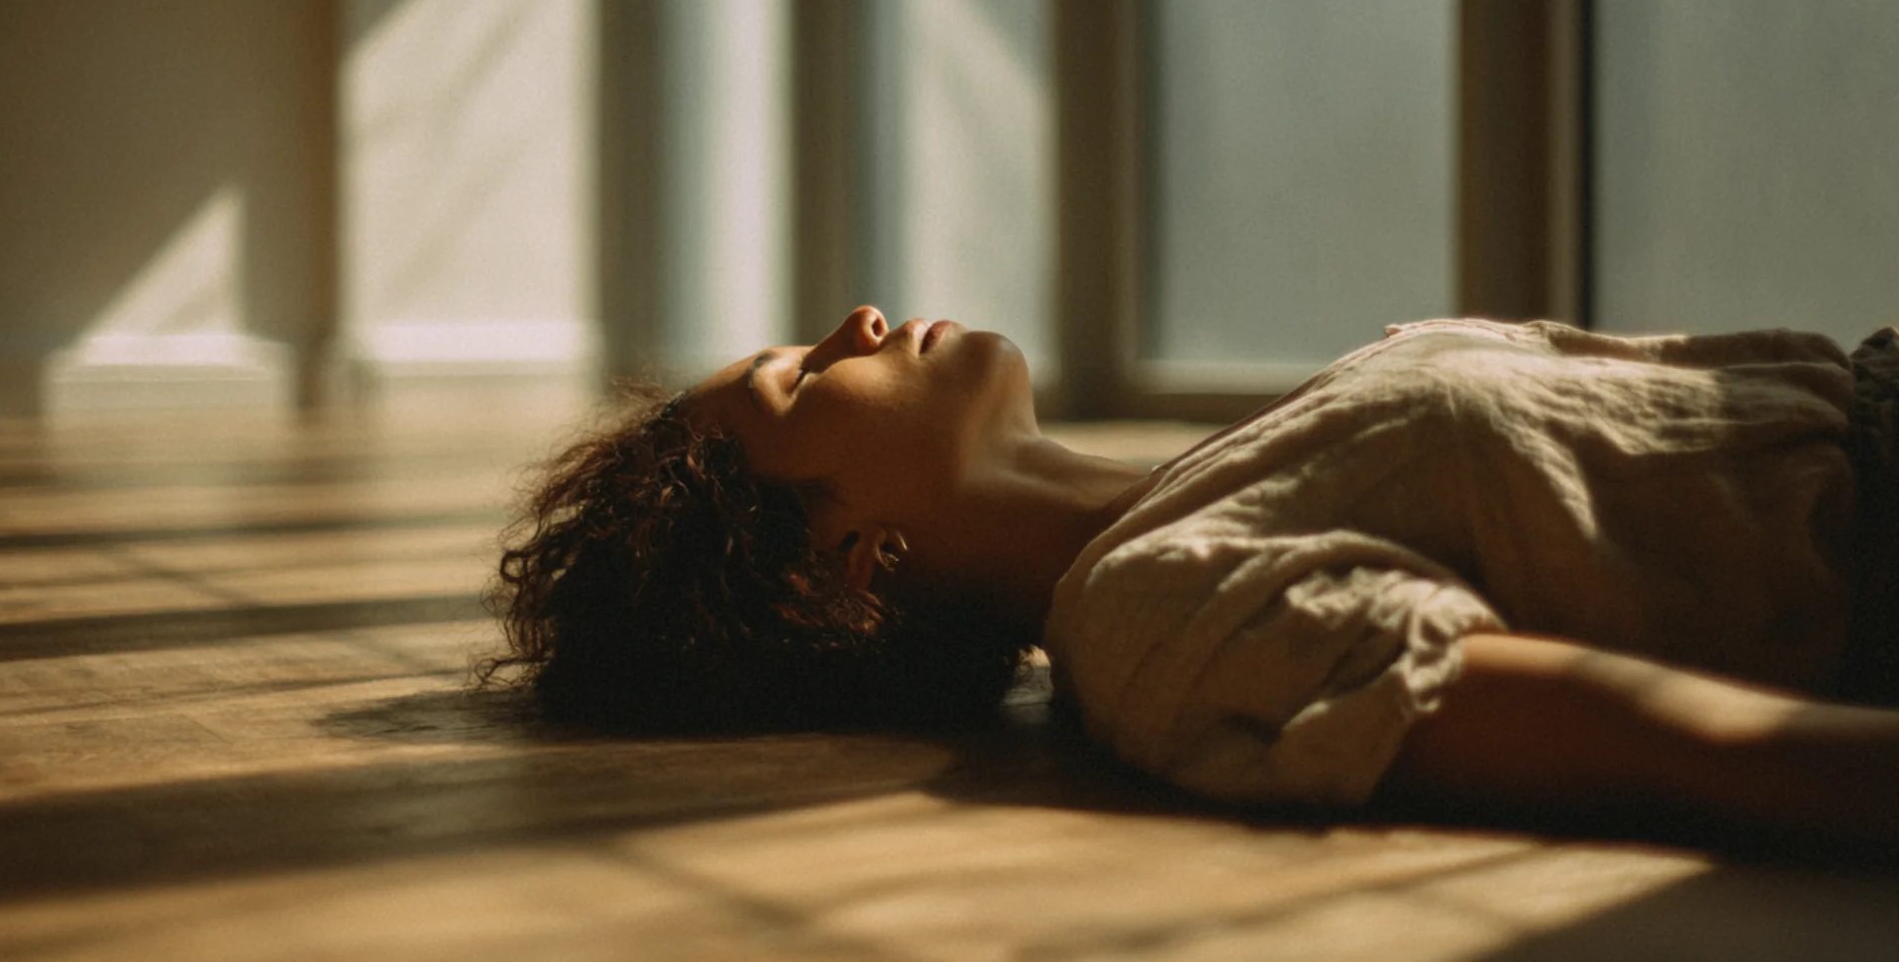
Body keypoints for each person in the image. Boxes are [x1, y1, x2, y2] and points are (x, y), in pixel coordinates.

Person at [484, 306, 1899, 855]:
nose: (855, 319)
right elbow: (1684, 747)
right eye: (802, 378)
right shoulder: (1159, 619)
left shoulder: (1205, 478)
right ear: (840, 572)